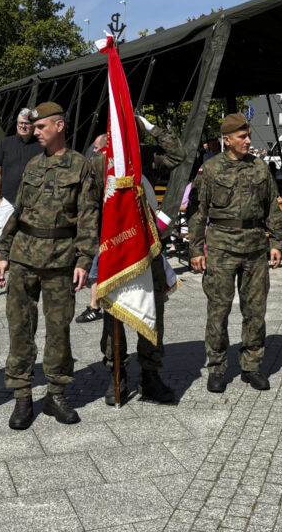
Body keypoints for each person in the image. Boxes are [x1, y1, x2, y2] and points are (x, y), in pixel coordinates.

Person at [0, 102, 98, 426]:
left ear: (59, 126)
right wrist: (2, 253)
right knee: (20, 329)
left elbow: (89, 216)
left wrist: (84, 259)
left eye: (40, 127)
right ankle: (22, 397)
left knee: (58, 331)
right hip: (24, 257)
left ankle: (55, 394)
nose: (34, 131)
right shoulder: (33, 165)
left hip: (60, 260)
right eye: (33, 127)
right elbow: (17, 210)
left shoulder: (81, 166)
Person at [92, 114, 186, 404]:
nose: (135, 137)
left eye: (136, 132)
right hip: (116, 250)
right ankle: (116, 373)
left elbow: (178, 155)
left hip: (148, 251)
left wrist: (151, 127)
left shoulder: (145, 158)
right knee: (114, 314)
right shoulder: (100, 162)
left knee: (153, 312)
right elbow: (92, 207)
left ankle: (150, 375)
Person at [188, 113, 282, 393]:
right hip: (221, 248)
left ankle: (252, 366)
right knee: (218, 310)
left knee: (255, 311)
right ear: (227, 140)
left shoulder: (259, 168)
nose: (248, 140)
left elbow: (272, 208)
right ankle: (217, 367)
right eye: (242, 137)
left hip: (255, 248)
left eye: (248, 135)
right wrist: (195, 249)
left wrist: (276, 242)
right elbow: (197, 211)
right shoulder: (211, 169)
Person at [0, 109, 44, 301]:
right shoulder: (6, 143)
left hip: (32, 202)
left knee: (31, 239)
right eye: (20, 123)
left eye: (26, 123)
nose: (23, 126)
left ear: (33, 125)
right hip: (7, 200)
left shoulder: (40, 146)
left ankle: (28, 281)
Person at [75, 134, 109, 323]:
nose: (94, 151)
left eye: (96, 148)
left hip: (101, 226)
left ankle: (94, 306)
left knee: (96, 266)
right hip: (101, 224)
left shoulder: (98, 164)